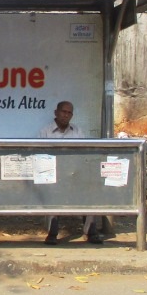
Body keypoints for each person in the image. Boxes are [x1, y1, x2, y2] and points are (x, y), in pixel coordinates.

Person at [38, 100, 103, 245]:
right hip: (55, 174)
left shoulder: (77, 131)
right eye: (63, 112)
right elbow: (42, 156)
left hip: (75, 173)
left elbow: (83, 153)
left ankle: (91, 232)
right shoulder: (46, 132)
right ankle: (52, 234)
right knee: (53, 194)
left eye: (69, 113)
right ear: (56, 113)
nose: (66, 115)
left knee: (90, 192)